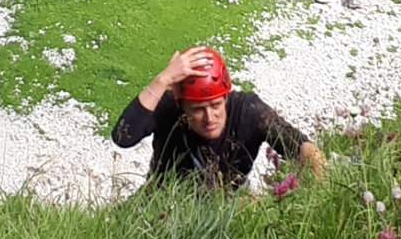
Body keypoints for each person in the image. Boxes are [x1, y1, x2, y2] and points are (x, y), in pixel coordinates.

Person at [112, 45, 328, 191]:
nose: (209, 118)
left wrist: (320, 189)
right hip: (163, 204)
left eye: (216, 105)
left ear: (226, 97)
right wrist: (163, 79)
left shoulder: (248, 110)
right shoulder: (168, 107)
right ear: (180, 105)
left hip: (229, 209)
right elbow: (123, 136)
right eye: (197, 109)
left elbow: (301, 146)